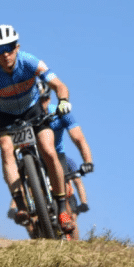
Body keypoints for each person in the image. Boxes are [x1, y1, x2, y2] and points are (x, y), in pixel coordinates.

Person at [0, 24, 76, 234]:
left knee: (48, 150)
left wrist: (63, 100)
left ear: (17, 46)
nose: (5, 54)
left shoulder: (30, 61)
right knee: (6, 149)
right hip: (5, 116)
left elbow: (59, 85)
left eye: (9, 47)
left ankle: (62, 210)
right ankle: (20, 204)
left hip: (33, 111)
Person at [37, 80, 94, 213]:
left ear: (49, 98)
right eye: (37, 101)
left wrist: (88, 162)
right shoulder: (26, 116)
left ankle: (66, 215)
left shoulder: (60, 114)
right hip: (36, 156)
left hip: (57, 155)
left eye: (44, 99)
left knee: (62, 187)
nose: (41, 104)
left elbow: (80, 140)